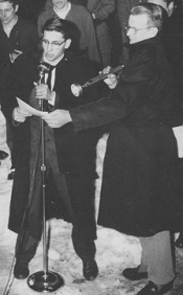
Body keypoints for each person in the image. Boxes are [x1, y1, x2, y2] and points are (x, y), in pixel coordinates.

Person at [42, 3, 183, 294]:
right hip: (138, 137)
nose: (127, 31)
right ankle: (150, 263)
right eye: (127, 26)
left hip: (146, 142)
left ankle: (162, 276)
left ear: (152, 29)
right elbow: (137, 92)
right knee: (144, 207)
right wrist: (118, 80)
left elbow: (120, 104)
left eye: (133, 27)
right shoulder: (145, 51)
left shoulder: (147, 58)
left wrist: (72, 115)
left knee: (151, 209)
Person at [2, 17, 101, 281]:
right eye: (45, 41)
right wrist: (13, 112)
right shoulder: (26, 63)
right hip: (33, 149)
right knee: (30, 205)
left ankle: (87, 256)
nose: (49, 48)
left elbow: (96, 104)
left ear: (67, 43)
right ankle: (22, 257)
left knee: (78, 205)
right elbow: (7, 91)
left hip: (68, 153)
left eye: (56, 43)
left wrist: (58, 98)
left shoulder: (83, 67)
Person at [147, 0, 183, 248]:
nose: (151, 8)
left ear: (171, 6)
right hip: (163, 118)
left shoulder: (174, 35)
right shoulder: (153, 39)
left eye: (157, 4)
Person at [0, 0, 39, 175]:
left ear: (16, 8)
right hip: (2, 79)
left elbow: (40, 54)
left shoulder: (29, 28)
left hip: (22, 82)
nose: (2, 15)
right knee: (7, 117)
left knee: (17, 119)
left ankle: (19, 162)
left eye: (6, 10)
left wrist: (25, 58)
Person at [38, 0, 100, 65]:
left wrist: (95, 67)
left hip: (80, 61)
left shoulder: (82, 12)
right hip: (54, 63)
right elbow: (41, 47)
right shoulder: (43, 18)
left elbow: (92, 43)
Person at [87, 0, 116, 67]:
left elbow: (110, 5)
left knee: (103, 61)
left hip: (98, 27)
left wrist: (95, 15)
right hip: (76, 29)